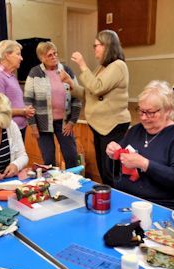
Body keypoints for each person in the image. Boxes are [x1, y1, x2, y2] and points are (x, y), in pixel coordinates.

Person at [106, 80, 174, 210]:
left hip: (164, 206)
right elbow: (114, 172)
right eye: (141, 111)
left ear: (167, 110)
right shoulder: (135, 131)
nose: (143, 117)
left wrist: (145, 164)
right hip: (127, 200)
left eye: (150, 112)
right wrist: (112, 154)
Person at [61, 30, 131, 186]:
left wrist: (82, 65)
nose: (94, 49)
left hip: (112, 125)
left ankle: (116, 199)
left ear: (107, 45)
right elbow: (88, 93)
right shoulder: (102, 68)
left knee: (110, 170)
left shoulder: (118, 66)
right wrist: (71, 84)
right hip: (100, 126)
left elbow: (97, 87)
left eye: (96, 45)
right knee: (103, 169)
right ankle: (107, 197)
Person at [24, 41, 82, 168]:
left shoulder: (66, 70)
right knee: (49, 159)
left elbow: (77, 96)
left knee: (71, 156)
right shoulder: (35, 73)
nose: (54, 56)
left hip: (64, 123)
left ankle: (74, 184)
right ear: (42, 57)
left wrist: (72, 121)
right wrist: (33, 125)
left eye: (55, 53)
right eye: (50, 55)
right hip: (42, 124)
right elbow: (28, 102)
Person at [0, 40, 35, 140]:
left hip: (17, 129)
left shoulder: (10, 75)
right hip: (6, 131)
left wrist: (25, 109)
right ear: (7, 55)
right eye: (18, 54)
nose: (21, 58)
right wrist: (23, 111)